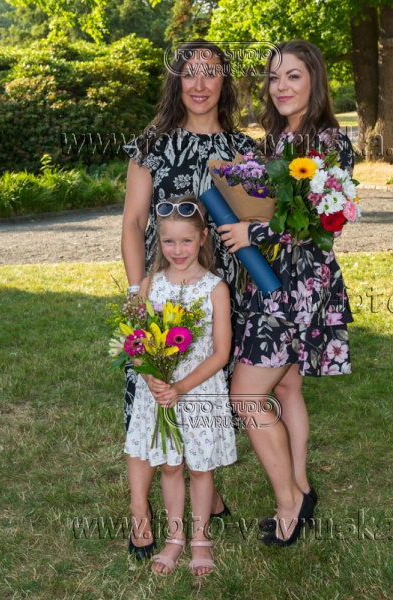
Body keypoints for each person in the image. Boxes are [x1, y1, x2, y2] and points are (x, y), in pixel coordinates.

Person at [121, 39, 257, 557]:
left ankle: (207, 488)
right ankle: (140, 513)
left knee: (205, 396)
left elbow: (256, 225)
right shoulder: (152, 144)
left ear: (225, 81)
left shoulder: (243, 149)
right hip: (157, 293)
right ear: (176, 81)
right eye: (189, 73)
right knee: (147, 395)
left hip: (219, 295)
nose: (200, 84)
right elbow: (134, 222)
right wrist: (136, 294)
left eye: (211, 73)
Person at [217, 40, 354, 546]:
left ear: (314, 79)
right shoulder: (275, 143)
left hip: (298, 287)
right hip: (270, 280)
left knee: (246, 395)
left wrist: (252, 234)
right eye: (274, 77)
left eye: (293, 76)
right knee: (285, 386)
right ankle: (302, 487)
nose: (281, 87)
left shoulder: (330, 142)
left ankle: (288, 504)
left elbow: (322, 222)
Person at [124, 195, 236, 575]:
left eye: (186, 240)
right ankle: (175, 539)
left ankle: (201, 539)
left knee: (201, 468)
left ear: (203, 237)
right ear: (159, 241)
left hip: (199, 391)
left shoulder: (215, 289)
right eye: (169, 241)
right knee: (170, 467)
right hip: (159, 394)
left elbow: (221, 353)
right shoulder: (149, 285)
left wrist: (182, 387)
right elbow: (136, 342)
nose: (178, 250)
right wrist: (150, 376)